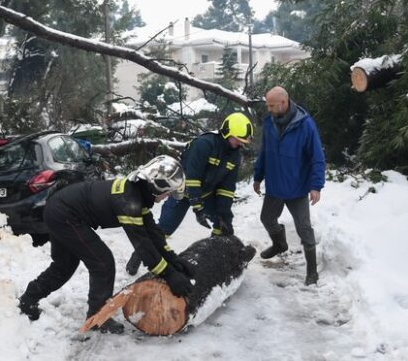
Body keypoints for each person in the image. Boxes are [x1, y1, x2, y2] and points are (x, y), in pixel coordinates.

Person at [18, 155, 195, 334]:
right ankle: (96, 317)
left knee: (64, 266)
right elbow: (143, 246)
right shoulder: (130, 202)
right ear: (158, 185)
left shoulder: (137, 195)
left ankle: (28, 300)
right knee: (102, 263)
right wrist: (169, 274)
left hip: (59, 210)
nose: (168, 196)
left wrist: (173, 259)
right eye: (169, 192)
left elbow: (153, 235)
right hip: (64, 214)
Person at [126, 112, 254, 275]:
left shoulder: (234, 155)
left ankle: (214, 254)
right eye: (237, 140)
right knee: (164, 228)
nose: (239, 145)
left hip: (207, 193)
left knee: (223, 226)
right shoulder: (204, 144)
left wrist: (225, 215)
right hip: (182, 191)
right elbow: (193, 177)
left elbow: (227, 189)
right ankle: (139, 255)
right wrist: (197, 207)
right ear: (227, 132)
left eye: (242, 142)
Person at [253, 86, 325, 286]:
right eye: (267, 105)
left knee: (304, 228)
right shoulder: (269, 123)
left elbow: (317, 158)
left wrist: (316, 186)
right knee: (267, 218)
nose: (268, 109)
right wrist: (258, 176)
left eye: (272, 105)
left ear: (284, 103)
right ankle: (280, 244)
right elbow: (264, 152)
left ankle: (312, 271)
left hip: (297, 188)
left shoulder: (306, 125)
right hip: (275, 185)